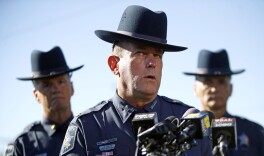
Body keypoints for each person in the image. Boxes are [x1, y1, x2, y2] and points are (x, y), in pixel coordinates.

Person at [60, 5, 212, 156]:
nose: (152, 63)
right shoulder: (88, 127)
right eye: (141, 53)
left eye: (158, 55)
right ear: (114, 64)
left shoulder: (188, 123)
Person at [183, 49, 264, 156]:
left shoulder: (253, 132)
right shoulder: (184, 133)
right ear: (195, 89)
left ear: (231, 89)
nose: (215, 89)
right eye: (208, 81)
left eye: (221, 82)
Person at [3, 46, 83, 156]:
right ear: (36, 95)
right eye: (47, 85)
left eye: (61, 81)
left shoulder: (90, 131)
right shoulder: (22, 145)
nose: (56, 89)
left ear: (72, 87)